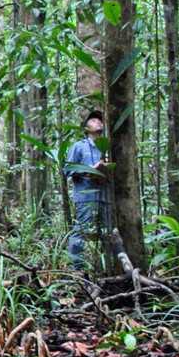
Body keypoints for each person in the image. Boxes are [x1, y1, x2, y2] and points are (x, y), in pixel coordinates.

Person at [63, 110, 112, 269]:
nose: (98, 121)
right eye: (93, 119)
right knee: (81, 232)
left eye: (100, 119)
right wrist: (91, 170)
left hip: (106, 197)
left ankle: (106, 268)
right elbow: (68, 170)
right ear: (86, 128)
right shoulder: (78, 146)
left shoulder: (108, 147)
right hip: (85, 197)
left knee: (108, 233)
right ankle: (76, 270)